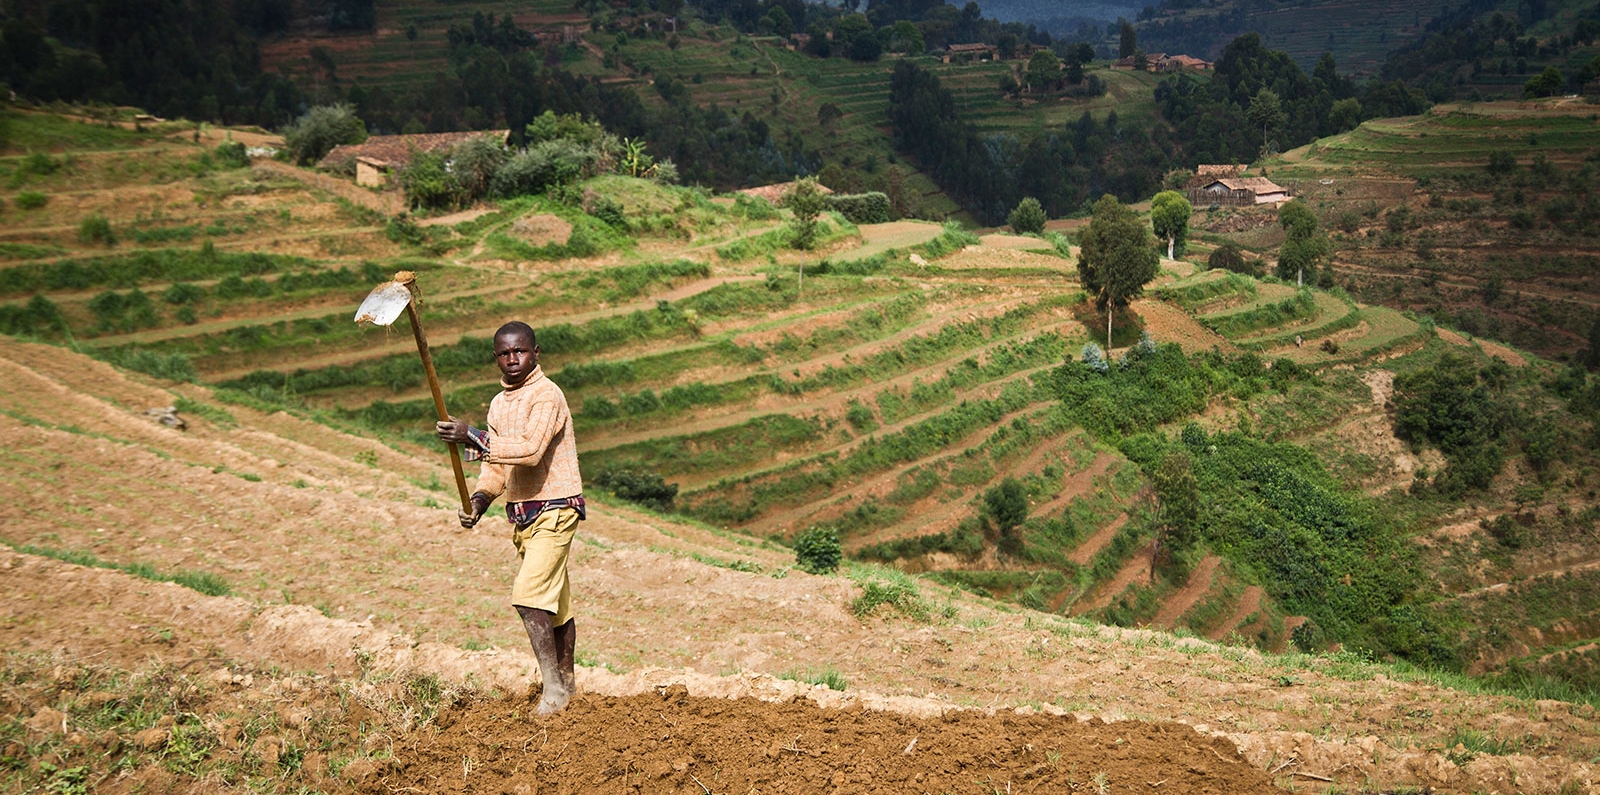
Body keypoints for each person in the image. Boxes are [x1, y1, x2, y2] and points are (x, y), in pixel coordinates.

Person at [436, 321, 584, 715]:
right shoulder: (499, 405)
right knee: (556, 605)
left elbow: (530, 451)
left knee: (529, 597)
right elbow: (499, 466)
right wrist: (480, 499)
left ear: (536, 353)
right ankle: (569, 685)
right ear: (496, 359)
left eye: (520, 351)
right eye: (504, 353)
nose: (512, 359)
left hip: (556, 509)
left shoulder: (547, 396)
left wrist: (472, 435)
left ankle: (552, 689)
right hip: (523, 517)